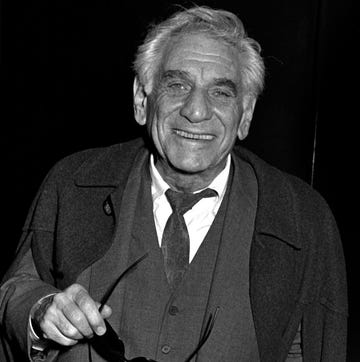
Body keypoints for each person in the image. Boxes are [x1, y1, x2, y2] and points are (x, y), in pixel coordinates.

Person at [0, 5, 347, 362]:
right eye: (177, 85)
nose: (196, 111)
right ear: (141, 100)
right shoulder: (73, 185)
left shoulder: (301, 219)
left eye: (221, 93)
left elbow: (314, 346)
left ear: (245, 115)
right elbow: (16, 290)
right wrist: (42, 311)